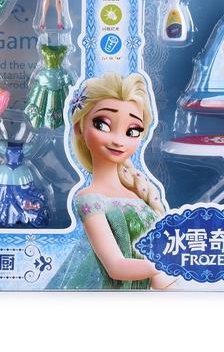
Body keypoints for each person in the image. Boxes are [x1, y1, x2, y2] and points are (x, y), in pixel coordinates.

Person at [47, 73, 175, 290]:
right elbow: (115, 266)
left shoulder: (137, 193)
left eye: (132, 131)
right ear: (79, 127)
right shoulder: (90, 199)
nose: (118, 140)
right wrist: (174, 262)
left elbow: (160, 277)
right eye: (103, 125)